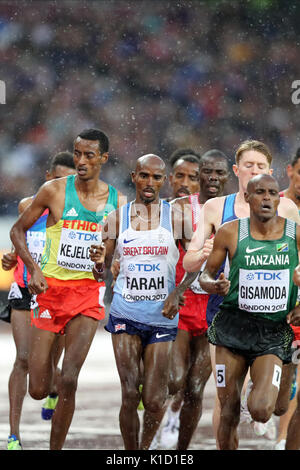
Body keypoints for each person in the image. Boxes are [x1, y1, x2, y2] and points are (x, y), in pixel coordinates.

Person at [9, 128, 125, 450]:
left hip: (87, 295)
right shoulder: (53, 191)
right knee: (38, 388)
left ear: (103, 158)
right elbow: (17, 232)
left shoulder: (116, 201)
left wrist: (102, 261)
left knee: (71, 379)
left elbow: (109, 257)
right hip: (50, 292)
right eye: (77, 154)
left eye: (90, 155)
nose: (82, 161)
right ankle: (48, 376)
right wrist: (33, 269)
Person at [183, 139, 300, 447]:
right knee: (226, 403)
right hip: (226, 314)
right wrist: (207, 261)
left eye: (260, 167)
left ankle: (270, 380)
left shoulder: (288, 211)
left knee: (266, 409)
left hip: (274, 317)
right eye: (248, 166)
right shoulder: (218, 213)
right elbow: (192, 262)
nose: (254, 171)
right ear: (237, 172)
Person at [90, 154, 192, 450]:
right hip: (125, 311)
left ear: (164, 181)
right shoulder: (116, 218)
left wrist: (180, 290)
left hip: (161, 315)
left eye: (157, 178)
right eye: (144, 176)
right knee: (129, 393)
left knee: (154, 399)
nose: (150, 183)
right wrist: (98, 264)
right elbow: (101, 270)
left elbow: (196, 262)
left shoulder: (175, 217)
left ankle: (145, 447)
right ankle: (132, 453)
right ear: (134, 176)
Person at [153, 149, 229, 450]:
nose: (187, 183)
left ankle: (181, 448)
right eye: (181, 176)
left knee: (196, 389)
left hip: (212, 306)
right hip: (181, 304)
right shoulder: (174, 210)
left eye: (194, 177)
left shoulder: (226, 209)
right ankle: (169, 405)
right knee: (175, 381)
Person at [1, 151, 76, 451]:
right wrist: (11, 256)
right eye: (58, 178)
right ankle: (13, 435)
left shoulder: (79, 212)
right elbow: (19, 239)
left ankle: (53, 389)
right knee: (22, 359)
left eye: (69, 181)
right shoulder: (27, 205)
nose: (62, 185)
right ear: (48, 178)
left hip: (56, 292)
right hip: (24, 287)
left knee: (48, 366)